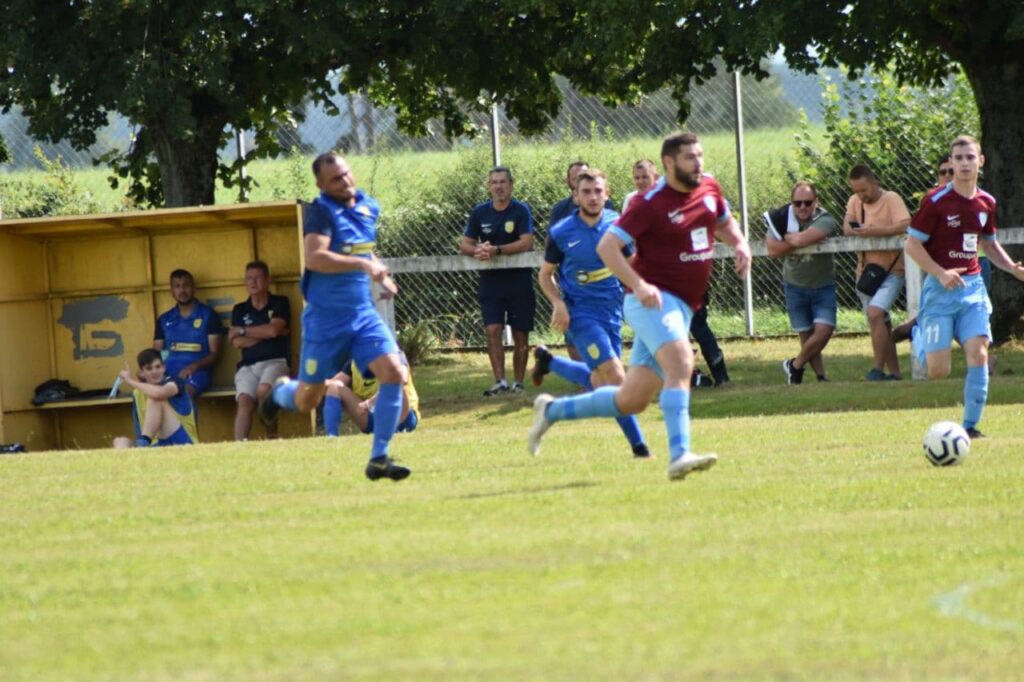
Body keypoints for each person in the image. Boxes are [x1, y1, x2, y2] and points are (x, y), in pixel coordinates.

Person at [527, 132, 752, 481]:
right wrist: (639, 284)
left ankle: (553, 410)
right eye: (690, 157)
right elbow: (608, 247)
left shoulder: (709, 187)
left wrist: (740, 244)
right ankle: (678, 454)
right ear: (669, 163)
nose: (699, 162)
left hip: (674, 305)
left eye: (700, 155)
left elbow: (722, 221)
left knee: (631, 399)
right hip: (649, 302)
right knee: (681, 362)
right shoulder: (649, 202)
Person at [258, 152, 410, 482]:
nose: (345, 182)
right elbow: (314, 258)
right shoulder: (321, 212)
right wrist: (362, 266)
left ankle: (379, 457)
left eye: (346, 173)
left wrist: (381, 275)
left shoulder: (368, 206)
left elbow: (363, 248)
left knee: (394, 371)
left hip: (361, 315)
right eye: (335, 179)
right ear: (320, 185)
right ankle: (281, 393)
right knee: (306, 400)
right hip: (324, 322)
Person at [905, 135, 1024, 439]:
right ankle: (917, 331)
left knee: (979, 353)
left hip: (972, 290)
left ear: (980, 161)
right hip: (940, 290)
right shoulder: (935, 202)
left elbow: (988, 243)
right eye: (958, 159)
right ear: (951, 163)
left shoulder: (987, 202)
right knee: (938, 371)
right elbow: (912, 245)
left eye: (970, 157)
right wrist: (941, 273)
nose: (964, 164)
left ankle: (970, 427)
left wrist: (1011, 267)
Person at [531, 168, 651, 459]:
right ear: (575, 196)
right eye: (586, 191)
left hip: (611, 311)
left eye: (598, 191)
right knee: (616, 379)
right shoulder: (561, 233)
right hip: (580, 315)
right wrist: (559, 304)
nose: (593, 197)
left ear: (607, 194)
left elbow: (634, 264)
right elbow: (545, 275)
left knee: (599, 382)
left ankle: (550, 366)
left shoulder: (617, 225)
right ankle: (640, 448)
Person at [459, 166, 536, 396]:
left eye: (503, 182)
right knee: (493, 329)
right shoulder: (480, 212)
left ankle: (519, 383)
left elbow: (527, 242)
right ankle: (500, 381)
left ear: (511, 185)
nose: (499, 186)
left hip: (519, 281)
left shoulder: (521, 210)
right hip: (491, 283)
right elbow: (464, 243)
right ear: (489, 186)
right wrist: (478, 251)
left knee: (521, 333)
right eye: (494, 182)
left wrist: (498, 250)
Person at [765, 181, 840, 384]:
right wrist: (799, 239)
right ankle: (820, 377)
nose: (803, 207)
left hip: (822, 285)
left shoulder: (825, 219)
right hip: (794, 285)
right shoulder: (780, 218)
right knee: (806, 335)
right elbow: (772, 250)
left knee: (824, 330)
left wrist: (788, 239)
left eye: (808, 202)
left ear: (816, 202)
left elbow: (795, 242)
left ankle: (795, 365)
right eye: (798, 203)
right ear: (792, 203)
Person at [842, 165, 911, 381]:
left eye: (864, 190)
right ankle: (895, 373)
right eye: (856, 191)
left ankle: (877, 369)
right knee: (880, 320)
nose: (861, 196)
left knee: (874, 313)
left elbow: (905, 224)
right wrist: (857, 230)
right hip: (866, 272)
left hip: (892, 271)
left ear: (875, 183)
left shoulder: (891, 199)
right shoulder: (855, 202)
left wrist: (875, 232)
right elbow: (846, 227)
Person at [228, 260, 291, 440]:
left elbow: (272, 330)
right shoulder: (240, 309)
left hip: (276, 361)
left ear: (268, 280)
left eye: (257, 278)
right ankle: (239, 446)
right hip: (247, 366)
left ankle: (271, 438)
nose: (252, 282)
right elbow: (238, 343)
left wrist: (242, 330)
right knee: (245, 400)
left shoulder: (280, 302)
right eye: (248, 278)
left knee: (264, 390)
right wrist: (269, 333)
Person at [153, 269, 226, 398]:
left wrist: (195, 365)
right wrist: (147, 370)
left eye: (186, 285)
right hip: (168, 373)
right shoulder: (164, 319)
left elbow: (216, 354)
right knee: (146, 394)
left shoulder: (208, 315)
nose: (182, 290)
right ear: (172, 291)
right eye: (177, 286)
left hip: (197, 372)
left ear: (193, 288)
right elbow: (156, 354)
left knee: (182, 395)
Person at [112, 348, 198, 448]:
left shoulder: (176, 382)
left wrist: (130, 381)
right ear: (141, 373)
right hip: (156, 445)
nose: (155, 371)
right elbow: (139, 429)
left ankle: (143, 445)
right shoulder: (137, 394)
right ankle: (136, 454)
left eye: (158, 367)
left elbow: (158, 393)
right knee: (120, 441)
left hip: (184, 443)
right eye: (149, 368)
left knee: (155, 400)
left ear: (164, 368)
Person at [323, 353, 420, 437]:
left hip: (403, 417)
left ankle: (393, 430)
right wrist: (312, 383)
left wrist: (370, 402)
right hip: (370, 416)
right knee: (334, 386)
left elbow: (401, 380)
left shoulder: (395, 355)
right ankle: (332, 437)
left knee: (397, 387)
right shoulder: (354, 362)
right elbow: (332, 383)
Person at [549, 161, 615, 227]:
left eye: (584, 178)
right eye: (575, 179)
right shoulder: (559, 209)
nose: (580, 182)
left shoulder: (606, 205)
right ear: (568, 181)